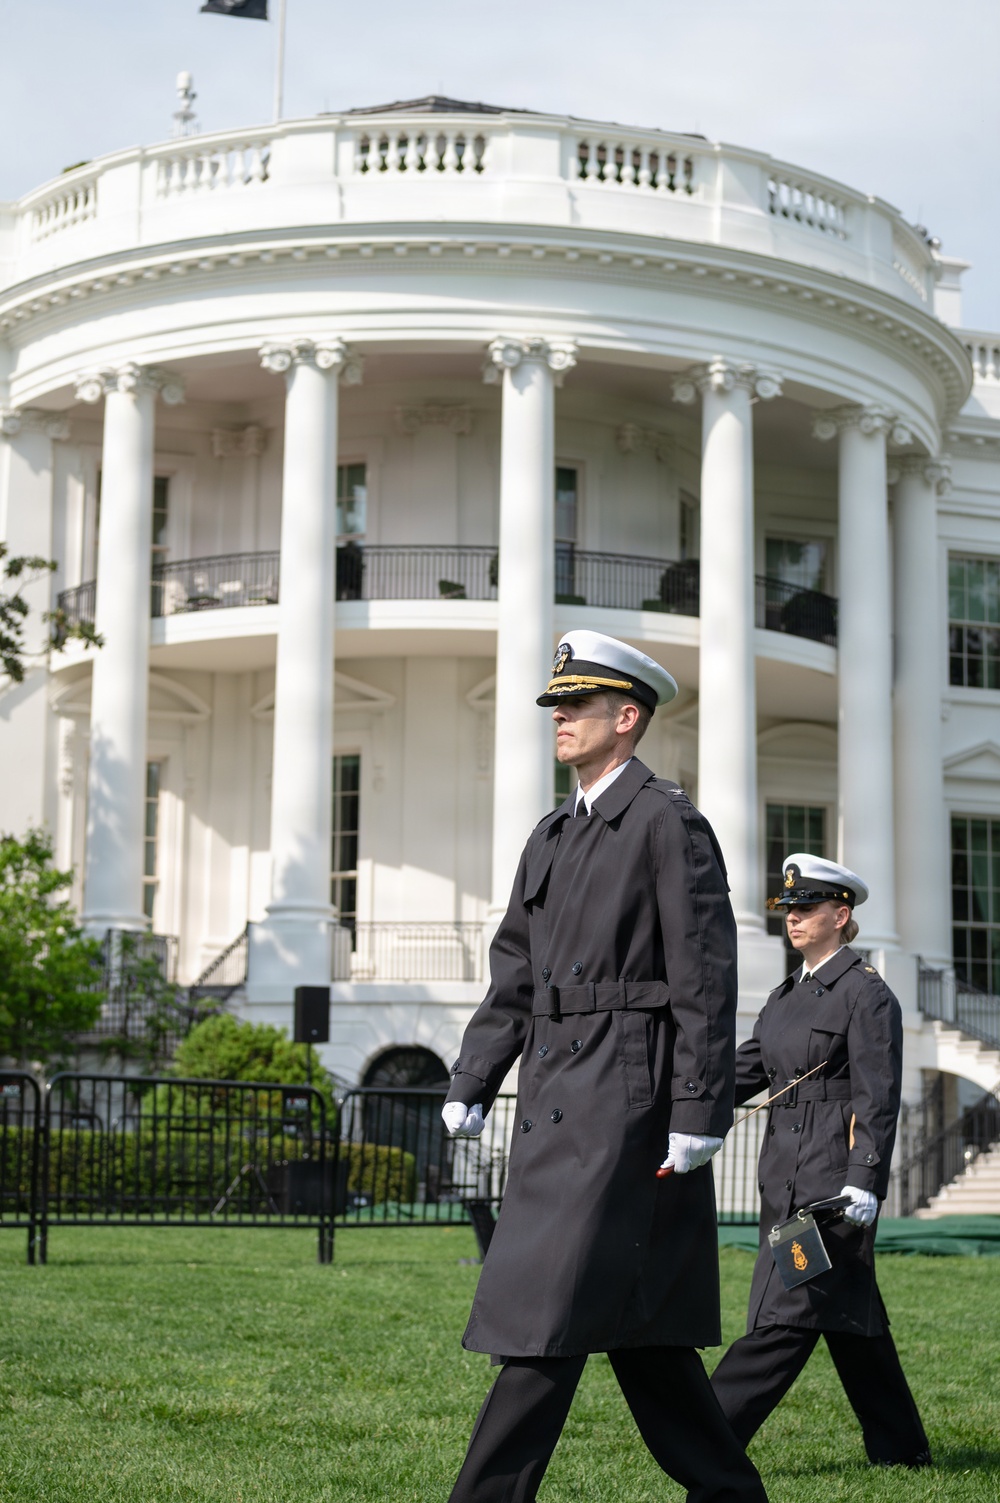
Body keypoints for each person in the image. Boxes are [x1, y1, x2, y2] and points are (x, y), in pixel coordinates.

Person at [441, 629, 768, 1503]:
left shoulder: (666, 821)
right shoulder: (551, 832)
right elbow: (514, 968)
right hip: (557, 1091)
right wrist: (475, 1075)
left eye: (577, 705)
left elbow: (704, 975)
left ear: (626, 718)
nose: (561, 719)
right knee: (642, 1332)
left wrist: (700, 1108)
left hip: (627, 1097)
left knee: (548, 1314)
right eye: (557, 705)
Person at [710, 854, 932, 1470]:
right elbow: (748, 1071)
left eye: (807, 909)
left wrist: (865, 1177)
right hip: (783, 1174)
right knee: (850, 1320)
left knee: (787, 1313)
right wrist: (679, 1104)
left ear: (841, 915)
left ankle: (703, 1436)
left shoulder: (866, 994)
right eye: (789, 910)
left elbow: (877, 1095)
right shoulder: (784, 998)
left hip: (831, 1185)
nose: (795, 919)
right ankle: (902, 1452)